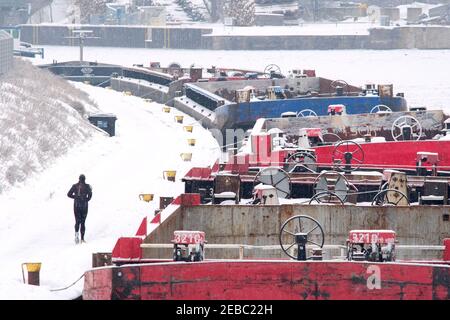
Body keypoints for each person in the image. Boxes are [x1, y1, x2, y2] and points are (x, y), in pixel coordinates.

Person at [67, 174, 92, 244]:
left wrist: (75, 197)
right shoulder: (87, 186)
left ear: (79, 179)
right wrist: (86, 199)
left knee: (77, 221)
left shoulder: (75, 186)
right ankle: (82, 239)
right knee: (83, 222)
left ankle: (76, 235)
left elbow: (68, 194)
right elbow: (90, 195)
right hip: (84, 205)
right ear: (85, 179)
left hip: (76, 205)